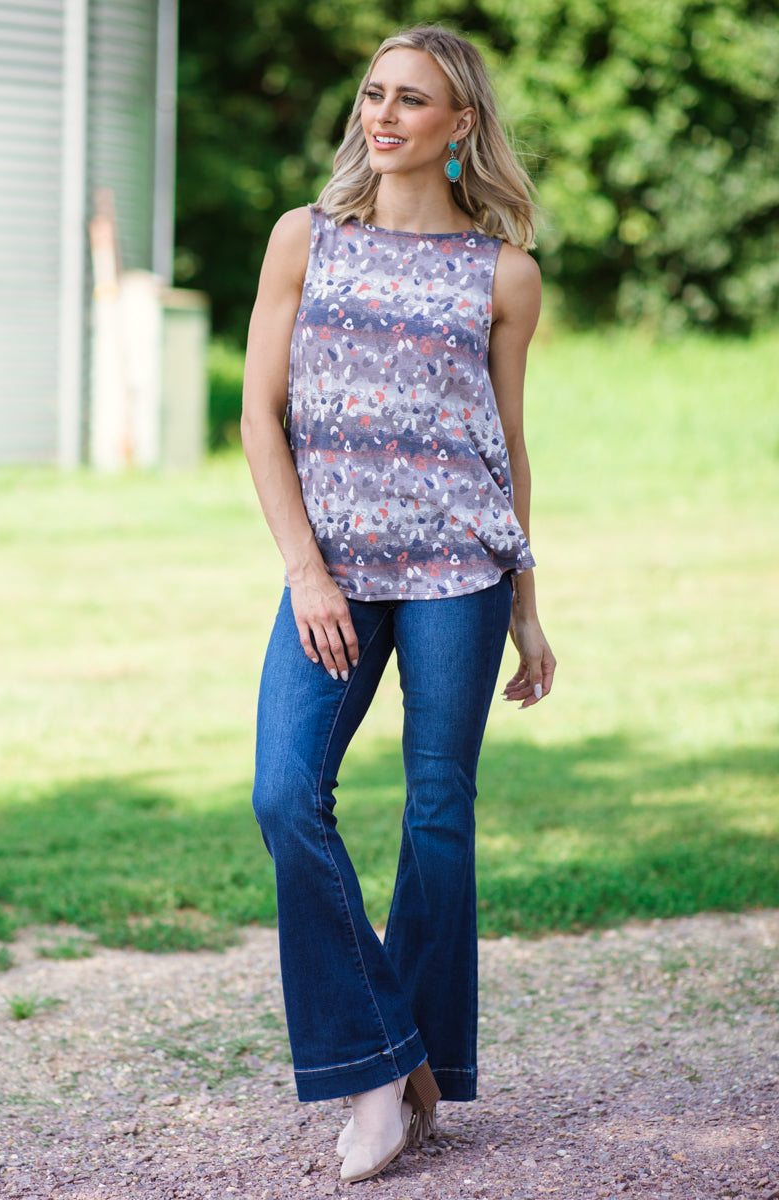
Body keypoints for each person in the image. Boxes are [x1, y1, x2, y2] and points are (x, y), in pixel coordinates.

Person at [240, 24, 556, 1184]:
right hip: (333, 571)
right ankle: (385, 1064)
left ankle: (407, 1094)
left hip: (459, 570)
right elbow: (256, 417)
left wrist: (526, 603)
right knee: (285, 792)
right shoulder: (303, 241)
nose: (382, 116)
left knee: (436, 815)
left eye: (411, 100)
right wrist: (303, 569)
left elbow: (505, 447)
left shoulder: (502, 273)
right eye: (373, 94)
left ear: (458, 125)